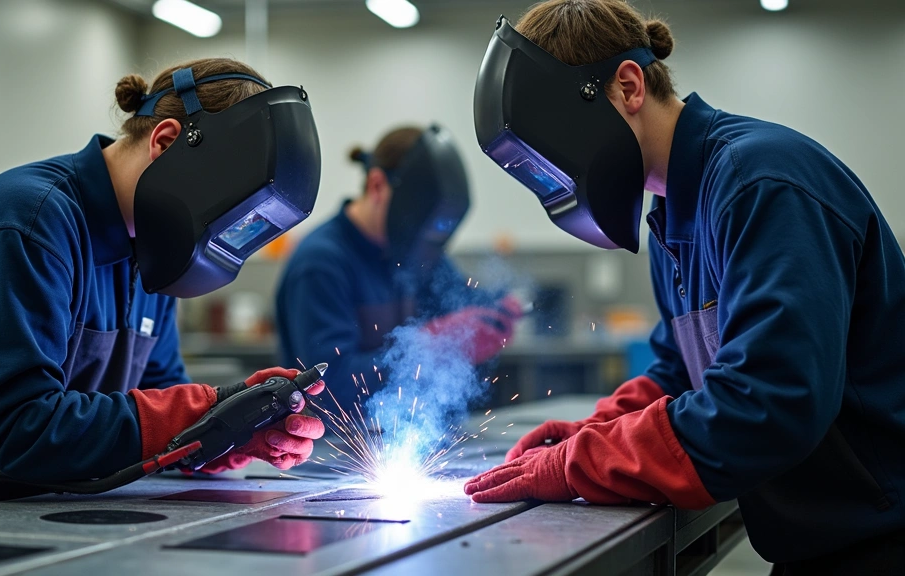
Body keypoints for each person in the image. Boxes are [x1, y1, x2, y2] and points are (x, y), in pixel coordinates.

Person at [464, 1, 905, 574]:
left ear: (627, 86)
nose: (559, 179)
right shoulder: (675, 210)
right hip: (823, 543)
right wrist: (592, 433)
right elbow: (681, 372)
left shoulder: (762, 183)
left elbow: (770, 403)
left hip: (883, 542)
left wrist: (583, 464)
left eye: (554, 158)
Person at [0, 58, 327, 520]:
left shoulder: (154, 248)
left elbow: (159, 405)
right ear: (167, 142)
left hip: (61, 521)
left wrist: (223, 433)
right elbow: (11, 433)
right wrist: (193, 410)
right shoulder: (27, 221)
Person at [276, 125, 521, 407]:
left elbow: (461, 304)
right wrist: (427, 347)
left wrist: (497, 310)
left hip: (410, 435)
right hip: (332, 445)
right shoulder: (320, 263)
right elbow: (328, 387)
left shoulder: (418, 254)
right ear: (377, 185)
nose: (427, 245)